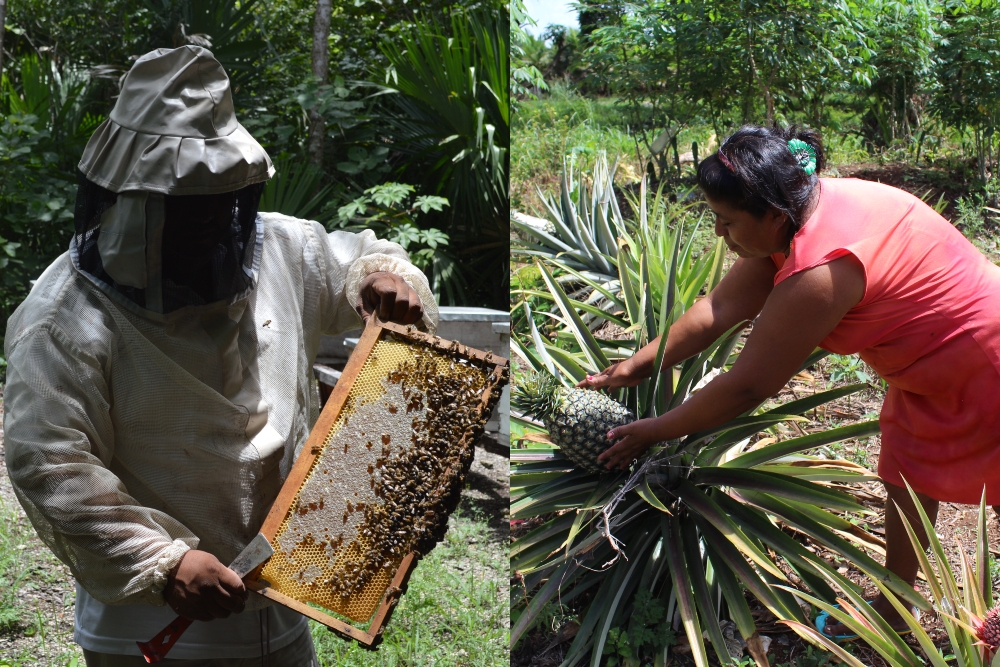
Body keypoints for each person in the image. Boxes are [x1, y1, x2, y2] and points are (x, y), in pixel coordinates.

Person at [2, 46, 437, 665]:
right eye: (187, 207)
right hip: (146, 622)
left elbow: (368, 262)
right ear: (132, 199)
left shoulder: (282, 248)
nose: (208, 223)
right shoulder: (64, 317)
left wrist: (387, 281)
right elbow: (49, 462)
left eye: (217, 202)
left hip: (284, 596)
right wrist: (163, 561)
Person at [579, 124, 1000, 639]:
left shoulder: (821, 266)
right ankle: (897, 606)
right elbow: (719, 308)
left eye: (726, 221)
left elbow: (748, 386)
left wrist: (655, 430)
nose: (718, 233)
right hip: (927, 368)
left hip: (983, 360)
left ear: (772, 214)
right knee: (904, 477)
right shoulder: (794, 212)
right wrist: (635, 366)